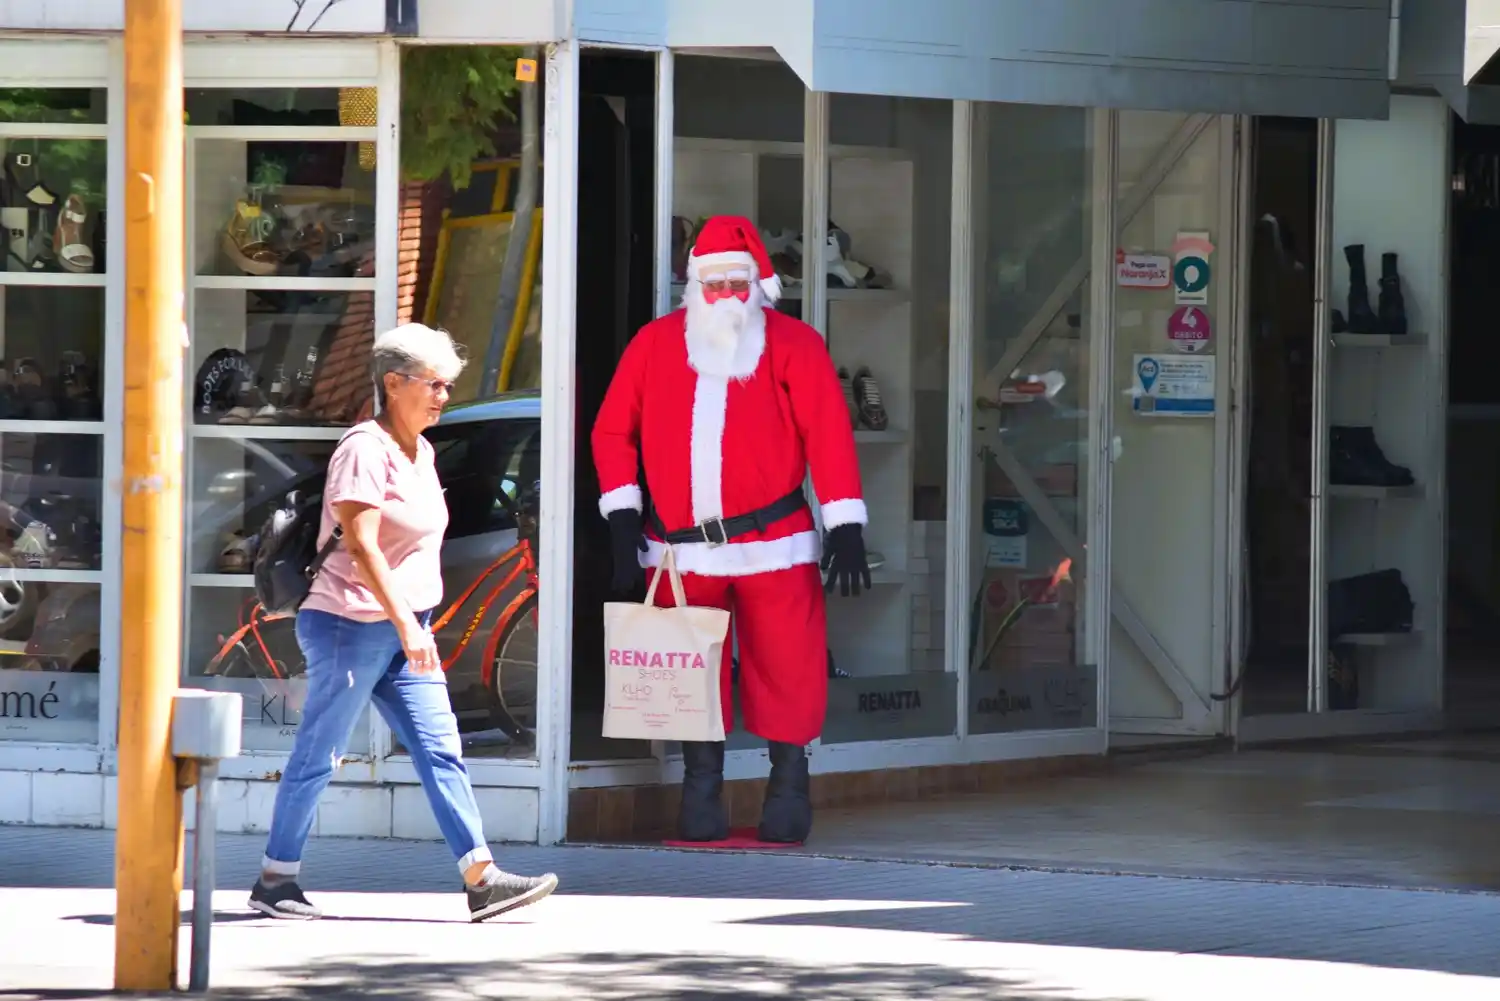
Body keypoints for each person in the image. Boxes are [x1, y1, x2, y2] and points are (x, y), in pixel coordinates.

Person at [249, 323, 558, 922]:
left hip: (401, 628)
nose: (443, 395)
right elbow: (362, 547)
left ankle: (481, 877)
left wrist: (413, 625)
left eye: (448, 385)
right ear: (393, 384)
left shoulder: (422, 450)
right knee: (321, 753)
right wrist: (409, 628)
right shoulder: (364, 448)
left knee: (442, 750)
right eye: (434, 384)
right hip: (349, 624)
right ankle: (275, 880)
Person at [591, 215, 871, 845]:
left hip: (777, 546)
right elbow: (612, 430)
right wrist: (622, 516)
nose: (724, 297)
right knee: (689, 677)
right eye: (712, 284)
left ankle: (789, 792)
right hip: (681, 553)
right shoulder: (654, 345)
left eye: (736, 283)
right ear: (693, 285)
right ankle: (700, 799)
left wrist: (844, 522)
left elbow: (827, 435)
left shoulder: (796, 346)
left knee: (789, 667)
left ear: (758, 283)